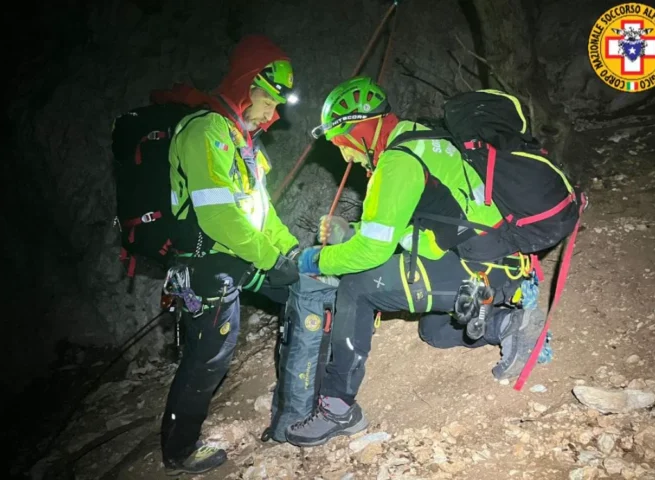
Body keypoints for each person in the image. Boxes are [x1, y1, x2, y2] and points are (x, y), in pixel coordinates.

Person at [285, 76, 549, 447]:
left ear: (359, 129)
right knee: (436, 332)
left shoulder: (397, 161)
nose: (344, 156)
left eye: (341, 144)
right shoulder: (423, 138)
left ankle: (337, 407)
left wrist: (314, 259)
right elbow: (413, 221)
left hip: (478, 267)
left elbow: (373, 251)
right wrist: (353, 229)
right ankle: (510, 322)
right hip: (498, 260)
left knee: (357, 287)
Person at [150, 35, 301, 475]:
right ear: (247, 85)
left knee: (295, 295)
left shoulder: (241, 143)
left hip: (235, 259)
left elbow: (262, 213)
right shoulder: (205, 132)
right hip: (206, 265)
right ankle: (178, 451)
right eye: (270, 101)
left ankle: (293, 406)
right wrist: (272, 261)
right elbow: (219, 219)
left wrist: (290, 250)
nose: (274, 113)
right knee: (210, 355)